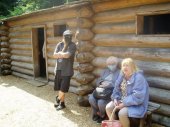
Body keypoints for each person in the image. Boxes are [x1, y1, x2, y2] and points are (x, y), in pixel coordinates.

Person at [106, 58, 149, 127]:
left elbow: (138, 96)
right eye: (123, 65)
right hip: (122, 100)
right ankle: (114, 125)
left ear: (132, 67)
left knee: (122, 113)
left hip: (136, 103)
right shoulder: (122, 75)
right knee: (108, 107)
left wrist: (124, 104)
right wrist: (115, 99)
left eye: (127, 65)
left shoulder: (139, 78)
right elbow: (116, 90)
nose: (125, 67)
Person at [88, 56, 120, 123]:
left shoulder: (119, 72)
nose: (111, 66)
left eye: (113, 64)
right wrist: (101, 83)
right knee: (91, 98)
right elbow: (98, 81)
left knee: (101, 102)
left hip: (110, 93)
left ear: (116, 64)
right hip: (101, 91)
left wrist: (110, 85)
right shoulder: (105, 71)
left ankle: (102, 115)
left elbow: (119, 85)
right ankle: (97, 113)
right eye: (109, 64)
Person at [53, 30, 76, 111]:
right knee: (60, 89)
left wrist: (59, 54)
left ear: (71, 37)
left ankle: (58, 99)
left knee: (63, 89)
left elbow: (68, 55)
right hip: (58, 69)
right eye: (66, 36)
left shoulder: (72, 45)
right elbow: (54, 55)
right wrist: (61, 54)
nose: (67, 37)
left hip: (67, 71)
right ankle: (62, 104)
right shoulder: (59, 44)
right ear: (63, 36)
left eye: (69, 36)